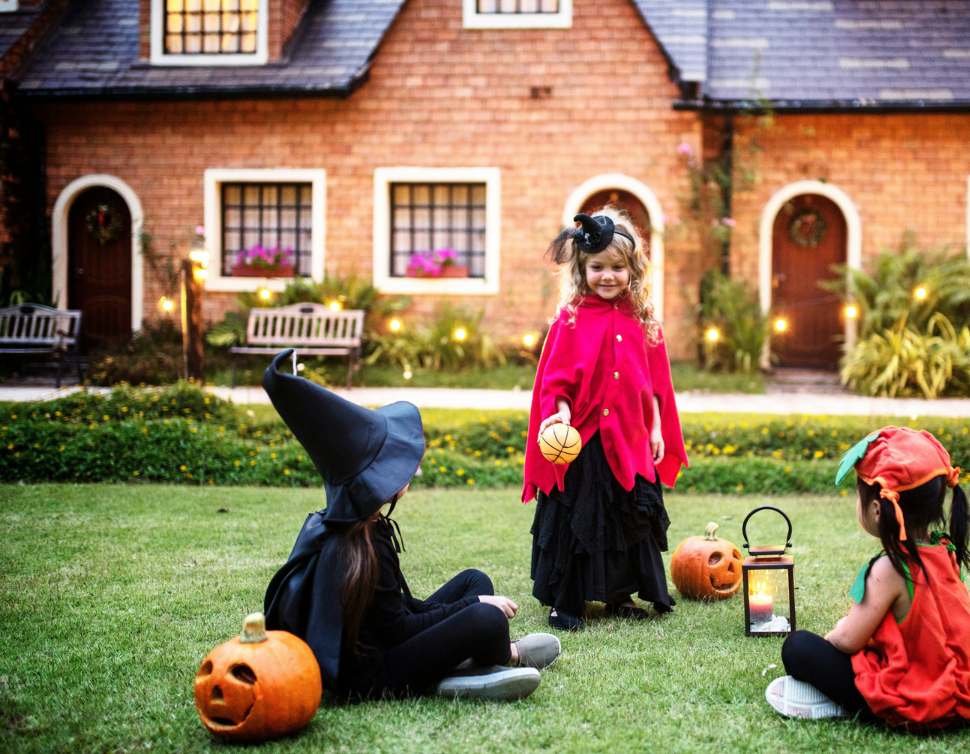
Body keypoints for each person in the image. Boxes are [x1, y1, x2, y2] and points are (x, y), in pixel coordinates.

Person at [260, 349, 560, 702]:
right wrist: (474, 608)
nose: (410, 468)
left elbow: (403, 609)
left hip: (388, 642)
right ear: (376, 481)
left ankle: (464, 663)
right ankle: (501, 657)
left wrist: (471, 600)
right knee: (486, 619)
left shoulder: (366, 527)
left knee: (474, 581)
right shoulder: (360, 547)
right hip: (377, 675)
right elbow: (399, 630)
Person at [765, 427, 970, 729]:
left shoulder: (891, 567)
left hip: (919, 700)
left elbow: (849, 640)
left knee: (798, 648)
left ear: (876, 509)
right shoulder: (944, 550)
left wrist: (832, 637)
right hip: (965, 693)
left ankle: (853, 705)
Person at [523, 209, 688, 631]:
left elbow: (654, 385)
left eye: (618, 267)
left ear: (633, 270)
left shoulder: (644, 319)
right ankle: (568, 600)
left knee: (626, 516)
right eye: (598, 267)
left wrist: (655, 430)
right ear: (582, 269)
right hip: (583, 437)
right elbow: (555, 384)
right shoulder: (571, 318)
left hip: (631, 436)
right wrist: (560, 418)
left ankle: (621, 594)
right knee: (580, 518)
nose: (608, 276)